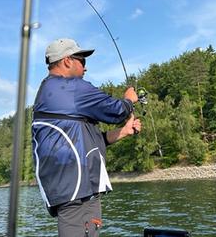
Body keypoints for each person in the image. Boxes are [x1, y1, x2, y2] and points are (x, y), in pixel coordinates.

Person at [31, 38, 141, 236]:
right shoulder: (69, 87)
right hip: (75, 188)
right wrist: (129, 100)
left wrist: (124, 132)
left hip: (76, 187)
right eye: (82, 60)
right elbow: (116, 110)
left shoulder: (51, 91)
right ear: (67, 61)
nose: (85, 67)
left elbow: (91, 139)